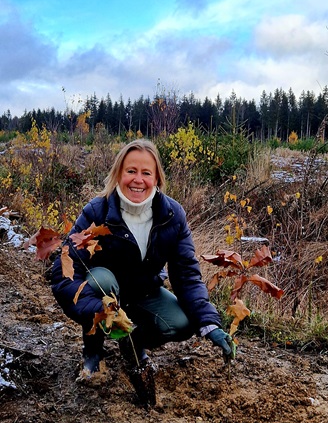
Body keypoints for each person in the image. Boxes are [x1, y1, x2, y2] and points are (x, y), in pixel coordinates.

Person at [51, 139, 233, 401]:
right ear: (118, 174)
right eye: (131, 171)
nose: (138, 180)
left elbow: (187, 275)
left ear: (157, 177)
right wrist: (98, 311)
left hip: (144, 293)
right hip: (103, 296)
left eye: (146, 173)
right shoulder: (97, 211)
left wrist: (209, 323)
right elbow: (66, 274)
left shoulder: (172, 215)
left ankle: (132, 343)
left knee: (182, 323)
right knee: (101, 279)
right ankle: (93, 351)